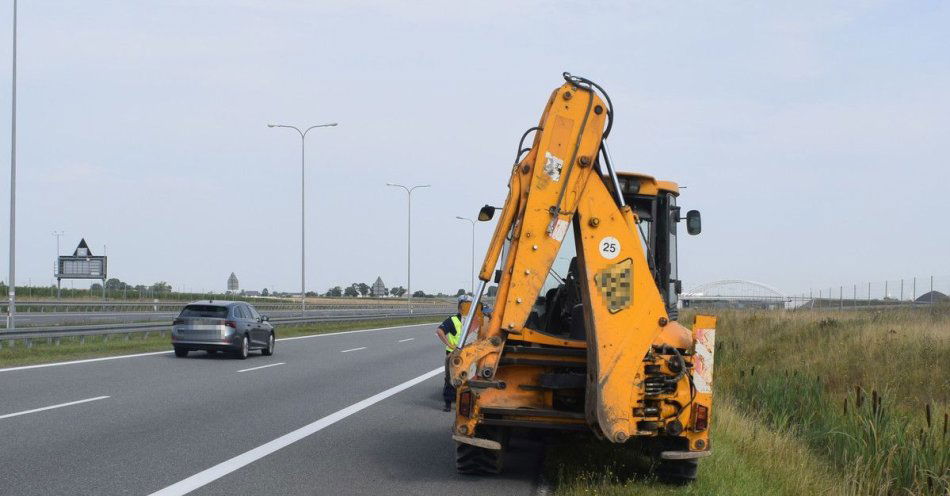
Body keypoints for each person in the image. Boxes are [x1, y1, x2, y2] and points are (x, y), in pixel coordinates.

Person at [436, 295, 470, 412]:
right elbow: (439, 331)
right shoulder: (453, 320)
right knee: (451, 379)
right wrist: (450, 344)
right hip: (454, 354)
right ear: (460, 307)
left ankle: (464, 403)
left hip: (469, 354)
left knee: (468, 379)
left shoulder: (475, 320)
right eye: (464, 306)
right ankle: (448, 404)